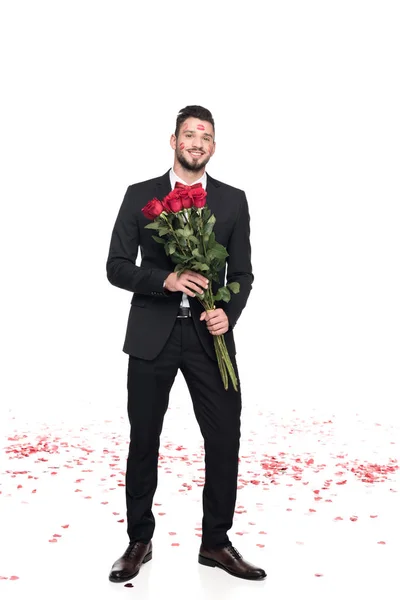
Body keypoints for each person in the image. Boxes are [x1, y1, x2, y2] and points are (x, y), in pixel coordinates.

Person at [106, 105, 266, 582]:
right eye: (190, 134)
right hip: (152, 335)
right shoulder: (140, 196)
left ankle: (215, 543)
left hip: (207, 338)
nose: (197, 142)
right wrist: (167, 279)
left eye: (206, 136)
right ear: (173, 140)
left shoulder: (233, 201)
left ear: (213, 147)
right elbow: (116, 266)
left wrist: (227, 313)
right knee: (144, 439)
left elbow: (242, 274)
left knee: (224, 437)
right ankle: (139, 541)